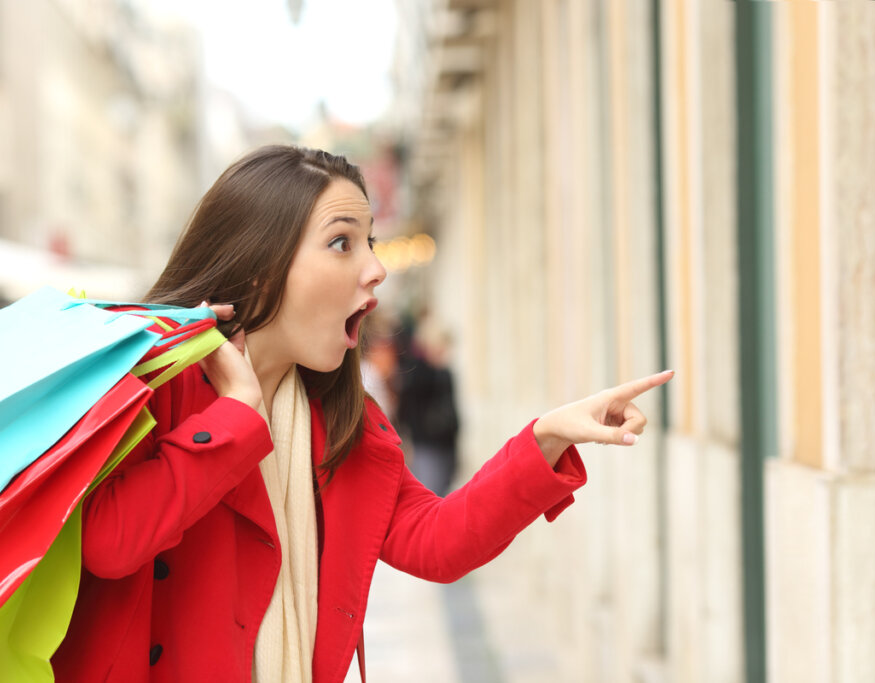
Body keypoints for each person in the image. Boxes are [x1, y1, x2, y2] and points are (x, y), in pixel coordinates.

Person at [51, 145, 673, 683]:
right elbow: (109, 542)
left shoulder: (341, 418)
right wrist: (238, 417)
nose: (375, 269)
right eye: (341, 242)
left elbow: (437, 541)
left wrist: (544, 437)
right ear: (260, 263)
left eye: (368, 242)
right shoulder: (146, 386)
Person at [396, 315, 460, 495]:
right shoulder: (417, 373)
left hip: (447, 444)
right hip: (426, 445)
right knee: (431, 493)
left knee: (444, 491)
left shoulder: (445, 373)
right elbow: (407, 409)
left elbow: (452, 409)